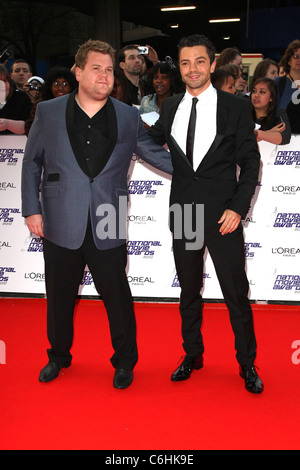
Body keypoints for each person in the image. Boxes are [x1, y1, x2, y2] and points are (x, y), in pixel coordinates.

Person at [21, 39, 172, 390]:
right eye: (96, 68)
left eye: (109, 69)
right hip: (59, 217)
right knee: (59, 296)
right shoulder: (49, 112)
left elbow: (156, 156)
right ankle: (58, 355)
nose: (104, 75)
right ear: (78, 72)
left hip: (109, 214)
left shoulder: (128, 115)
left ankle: (124, 361)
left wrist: (199, 171)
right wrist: (32, 209)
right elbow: (32, 163)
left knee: (117, 294)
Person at [149, 34, 263, 394]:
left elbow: (250, 162)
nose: (192, 69)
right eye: (185, 63)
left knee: (235, 291)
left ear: (212, 64)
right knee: (188, 289)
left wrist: (237, 207)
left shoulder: (236, 107)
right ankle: (192, 355)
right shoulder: (169, 108)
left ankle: (247, 364)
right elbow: (146, 138)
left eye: (199, 61)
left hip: (222, 214)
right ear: (179, 68)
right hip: (184, 210)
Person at [251, 78, 291, 145]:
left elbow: (285, 138)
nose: (256, 95)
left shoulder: (279, 114)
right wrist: (271, 132)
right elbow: (239, 140)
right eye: (254, 91)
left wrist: (257, 133)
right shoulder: (243, 113)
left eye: (262, 92)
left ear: (271, 98)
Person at [275, 39, 300, 134]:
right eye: (295, 56)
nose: (299, 60)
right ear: (288, 61)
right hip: (284, 138)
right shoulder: (279, 83)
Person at [0, 64, 31, 134]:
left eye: (5, 81)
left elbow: (29, 126)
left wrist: (8, 124)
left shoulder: (22, 99)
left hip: (17, 143)